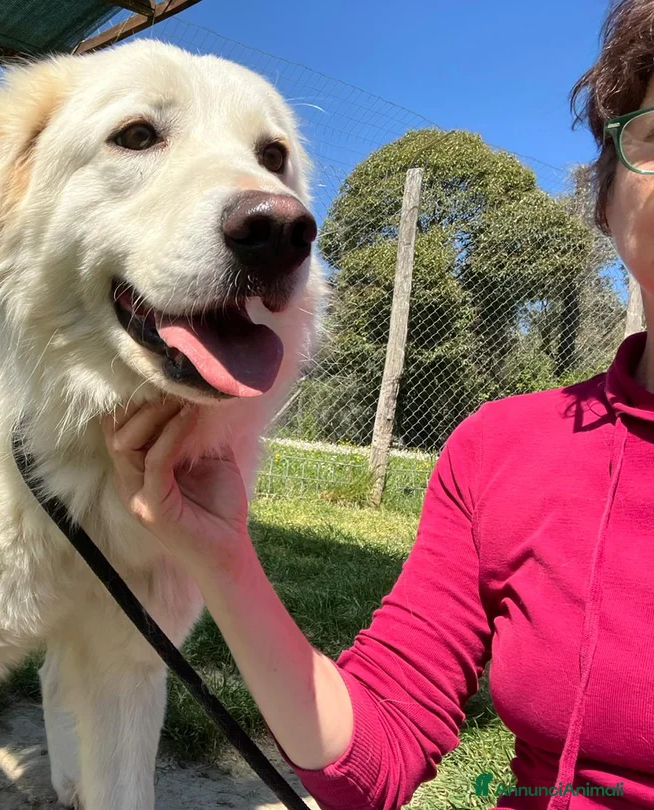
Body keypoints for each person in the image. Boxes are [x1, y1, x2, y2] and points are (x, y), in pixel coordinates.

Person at [101, 2, 654, 808]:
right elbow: (379, 751)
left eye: (273, 160)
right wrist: (224, 559)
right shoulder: (503, 450)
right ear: (605, 197)